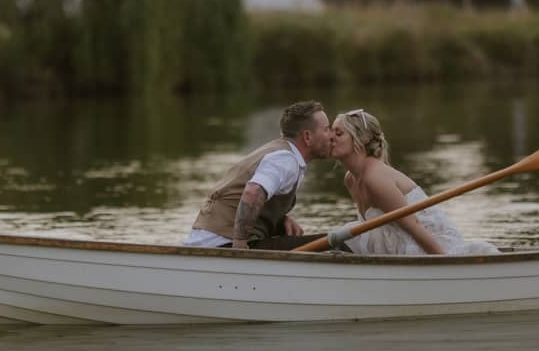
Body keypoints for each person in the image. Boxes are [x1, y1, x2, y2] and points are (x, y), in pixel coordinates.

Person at [330, 108, 499, 255]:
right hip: (399, 238)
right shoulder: (351, 179)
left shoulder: (375, 179)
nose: (331, 138)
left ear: (360, 139)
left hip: (429, 240)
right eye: (331, 132)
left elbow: (414, 227)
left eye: (339, 133)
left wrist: (444, 262)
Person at [183, 100, 333, 250]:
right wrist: (240, 245)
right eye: (326, 129)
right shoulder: (286, 160)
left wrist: (280, 221)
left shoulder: (280, 153)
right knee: (335, 242)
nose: (331, 135)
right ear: (307, 136)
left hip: (212, 240)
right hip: (223, 245)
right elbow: (252, 192)